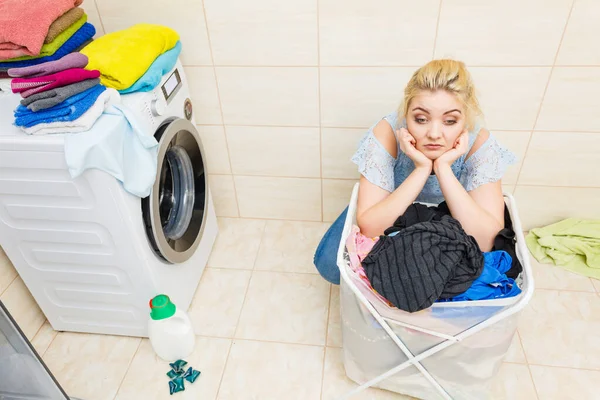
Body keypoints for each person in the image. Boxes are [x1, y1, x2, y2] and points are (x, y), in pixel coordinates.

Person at [313, 59, 517, 285]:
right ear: (407, 114)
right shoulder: (388, 133)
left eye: (450, 121)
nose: (434, 133)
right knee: (331, 266)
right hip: (393, 207)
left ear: (465, 121)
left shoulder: (479, 143)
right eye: (421, 119)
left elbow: (486, 241)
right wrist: (421, 169)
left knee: (446, 281)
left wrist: (442, 168)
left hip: (451, 215)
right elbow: (371, 227)